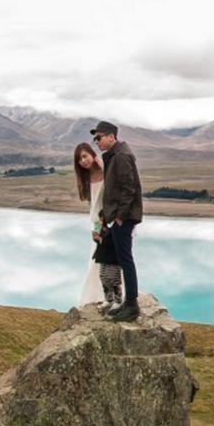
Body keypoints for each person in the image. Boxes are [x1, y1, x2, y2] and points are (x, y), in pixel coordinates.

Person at [91, 120, 145, 322]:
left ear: (111, 136)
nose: (96, 141)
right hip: (117, 217)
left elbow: (128, 188)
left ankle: (132, 305)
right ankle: (127, 303)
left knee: (125, 260)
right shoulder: (115, 155)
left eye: (99, 137)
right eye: (95, 138)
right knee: (120, 259)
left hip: (124, 218)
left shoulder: (121, 156)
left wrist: (121, 216)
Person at [73, 141, 108, 308]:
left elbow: (115, 190)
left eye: (85, 156)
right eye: (80, 159)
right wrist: (96, 227)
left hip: (112, 221)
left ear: (92, 154)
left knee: (113, 261)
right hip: (97, 224)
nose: (83, 161)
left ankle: (111, 294)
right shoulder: (85, 179)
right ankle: (95, 295)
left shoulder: (106, 169)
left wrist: (107, 169)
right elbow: (92, 204)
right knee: (96, 260)